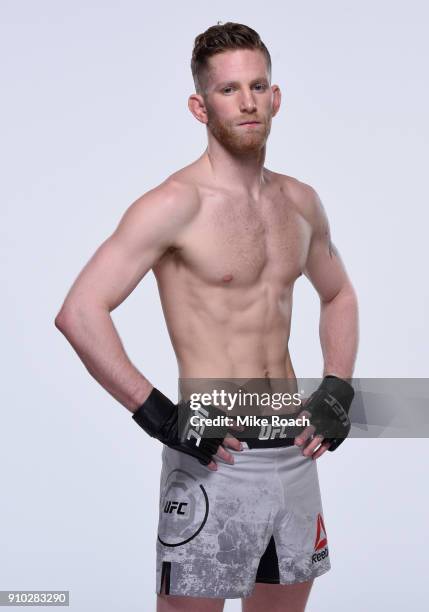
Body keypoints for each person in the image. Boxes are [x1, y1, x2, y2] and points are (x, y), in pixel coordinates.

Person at [55, 21, 359, 612]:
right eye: (228, 90)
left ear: (276, 97)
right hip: (215, 458)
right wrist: (158, 415)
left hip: (295, 449)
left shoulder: (300, 202)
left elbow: (339, 294)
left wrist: (339, 387)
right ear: (200, 106)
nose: (247, 102)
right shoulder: (173, 205)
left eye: (258, 86)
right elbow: (79, 311)